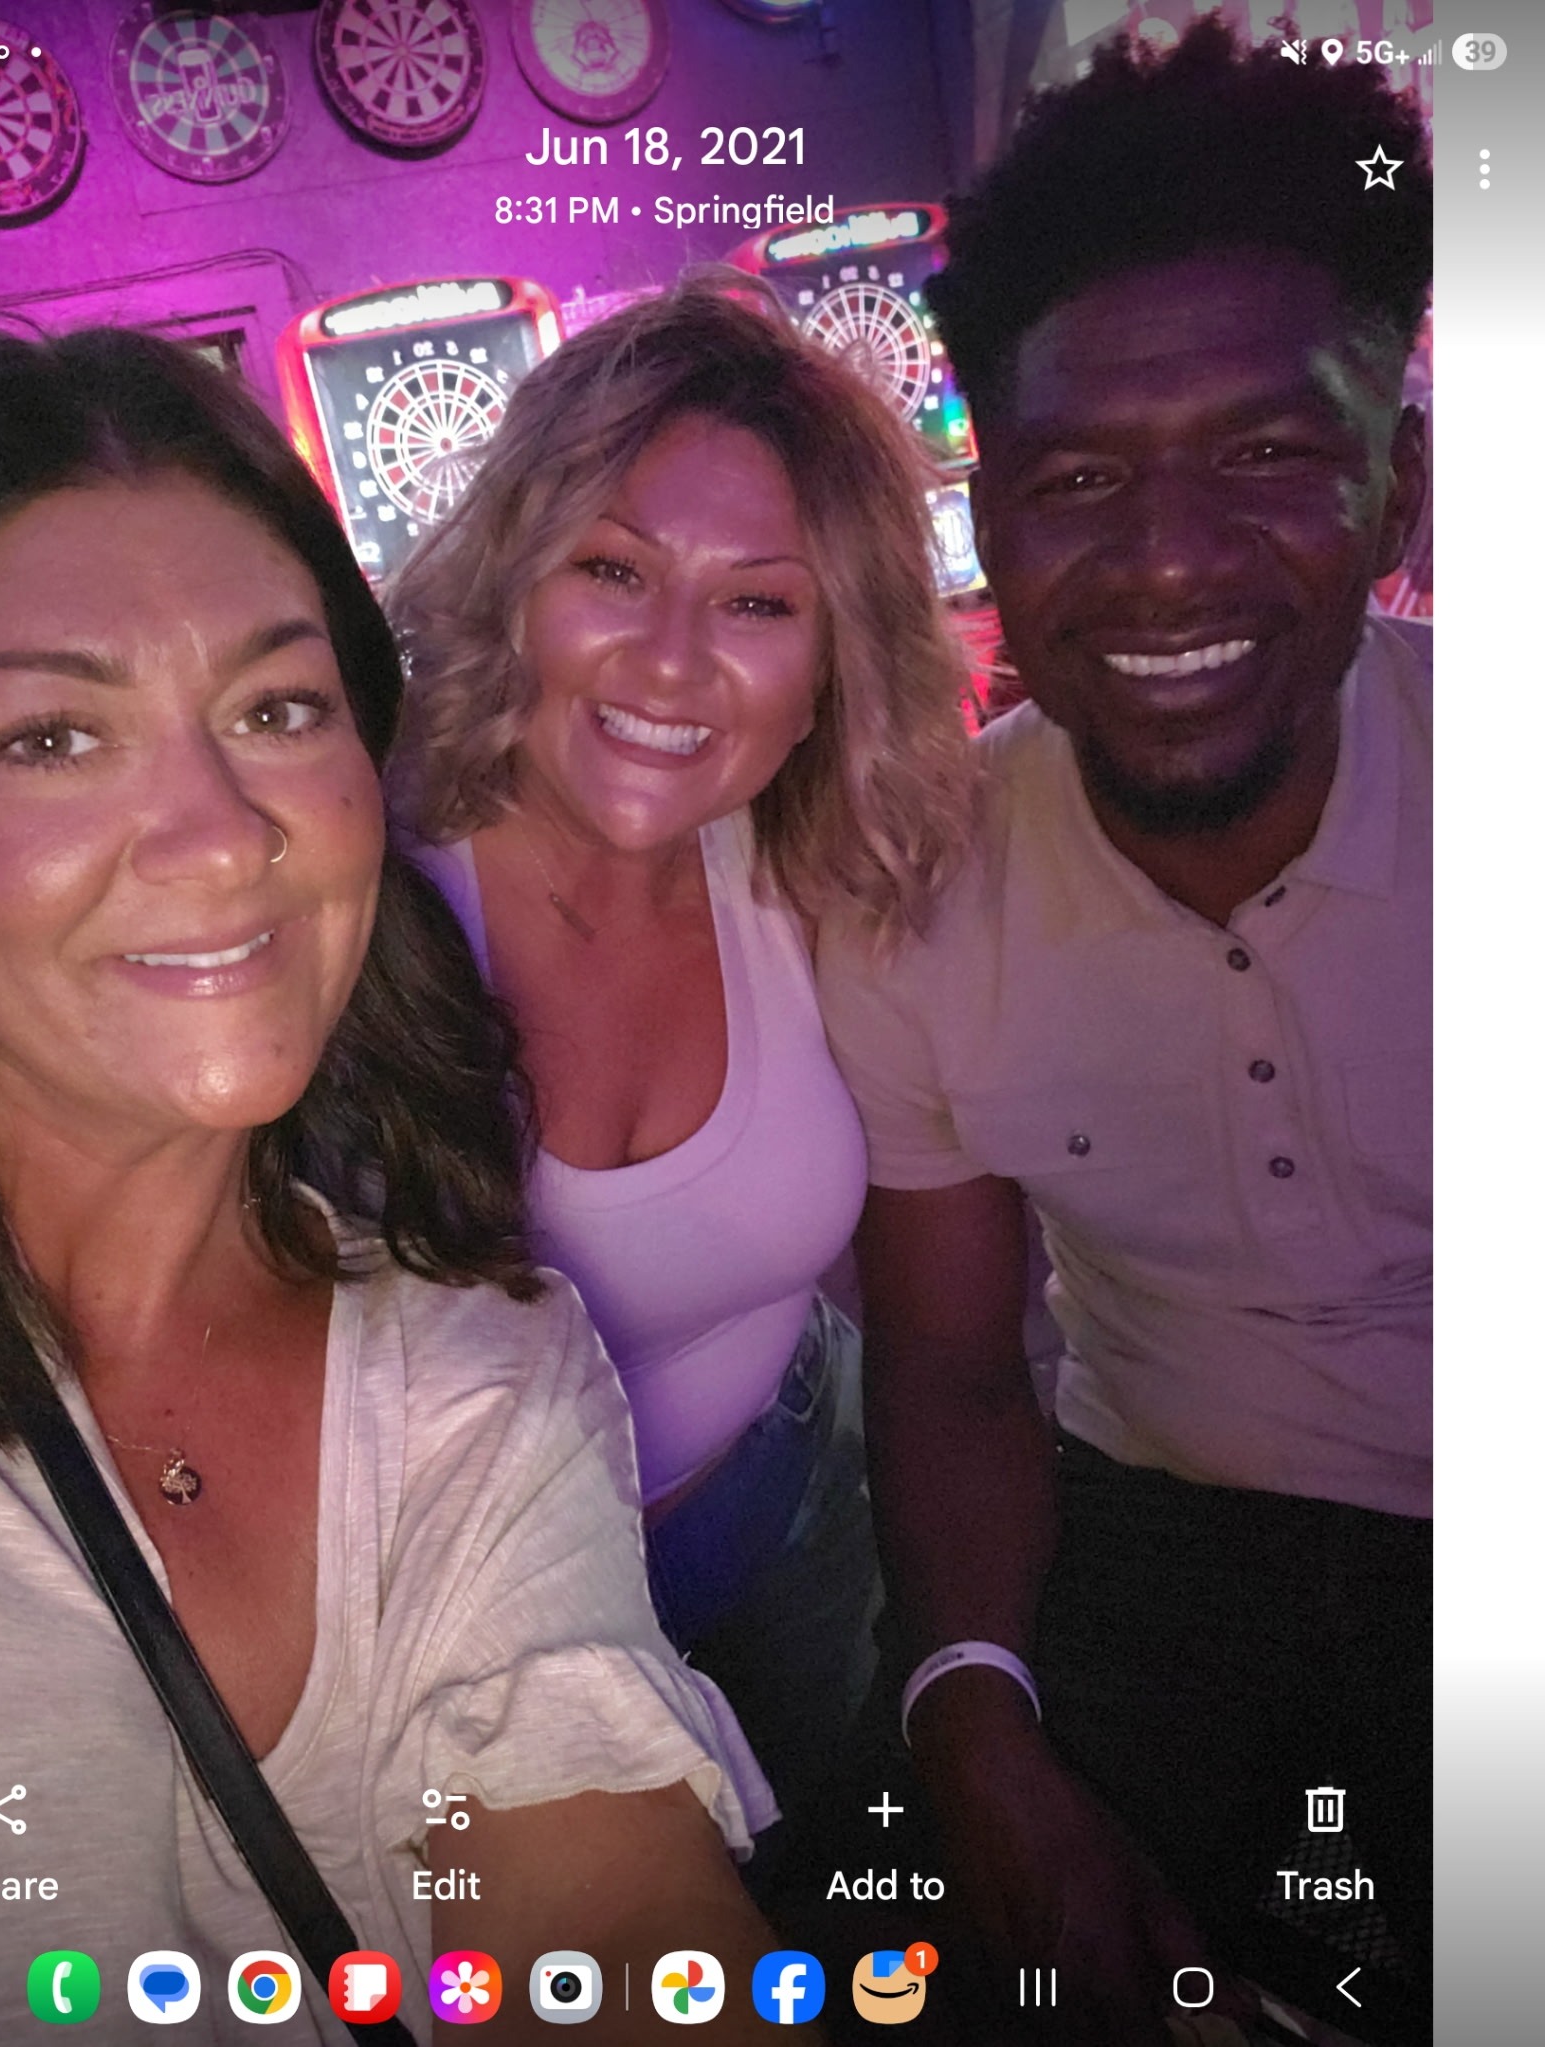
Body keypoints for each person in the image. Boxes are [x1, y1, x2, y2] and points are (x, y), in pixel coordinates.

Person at [0, 325, 799, 2044]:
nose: (222, 830)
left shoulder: (483, 1376)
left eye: (275, 708)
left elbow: (610, 1924)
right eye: (54, 737)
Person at [817, 23, 1431, 2047]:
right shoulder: (913, 895)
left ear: (1398, 490)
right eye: (1081, 479)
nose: (1167, 560)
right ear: (990, 522)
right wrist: (971, 1715)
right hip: (1147, 1531)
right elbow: (950, 1363)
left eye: (1267, 458)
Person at [389, 275, 975, 1831]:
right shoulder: (346, 892)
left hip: (796, 1505)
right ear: (513, 578)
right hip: (470, 1628)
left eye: (758, 604)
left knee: (851, 1880)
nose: (668, 662)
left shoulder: (815, 861)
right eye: (614, 570)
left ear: (832, 662)